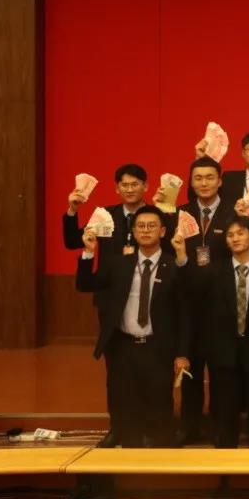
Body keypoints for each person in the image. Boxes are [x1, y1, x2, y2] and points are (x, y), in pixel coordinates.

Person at [76, 205, 190, 447]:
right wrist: (88, 252)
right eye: (140, 226)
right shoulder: (118, 264)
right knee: (125, 406)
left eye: (151, 226)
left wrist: (182, 353)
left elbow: (184, 313)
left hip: (158, 348)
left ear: (162, 232)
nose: (145, 231)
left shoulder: (174, 266)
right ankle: (129, 455)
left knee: (159, 406)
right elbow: (85, 284)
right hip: (123, 347)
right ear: (134, 231)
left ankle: (160, 455)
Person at [63, 162, 151, 447]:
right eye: (124, 184)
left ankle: (148, 428)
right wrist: (73, 210)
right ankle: (118, 428)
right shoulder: (105, 215)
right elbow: (73, 241)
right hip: (112, 302)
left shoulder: (156, 216)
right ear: (117, 188)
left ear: (145, 187)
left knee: (148, 370)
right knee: (116, 372)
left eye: (135, 184)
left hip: (149, 299)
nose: (130, 189)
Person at [189, 216, 249, 447]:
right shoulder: (214, 271)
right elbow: (199, 304)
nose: (235, 238)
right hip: (225, 350)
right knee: (225, 410)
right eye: (230, 235)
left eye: (240, 233)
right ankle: (225, 455)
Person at [175, 156, 238, 445]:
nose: (204, 183)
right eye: (198, 178)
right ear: (191, 182)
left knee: (223, 372)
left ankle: (221, 429)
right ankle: (189, 427)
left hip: (223, 301)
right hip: (188, 302)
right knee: (190, 369)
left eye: (209, 177)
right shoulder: (181, 214)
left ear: (220, 180)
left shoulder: (234, 212)